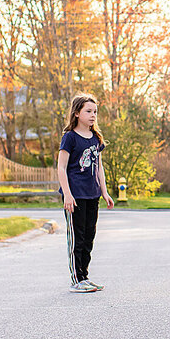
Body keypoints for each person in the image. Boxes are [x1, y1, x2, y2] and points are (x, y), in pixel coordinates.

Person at [57, 94, 114, 292]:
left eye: (95, 112)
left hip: (92, 195)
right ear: (77, 113)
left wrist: (104, 192)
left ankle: (85, 276)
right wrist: (68, 194)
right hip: (75, 196)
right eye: (88, 111)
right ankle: (76, 280)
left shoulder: (96, 139)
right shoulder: (70, 137)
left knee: (89, 236)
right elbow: (62, 167)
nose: (93, 115)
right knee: (77, 238)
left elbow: (99, 168)